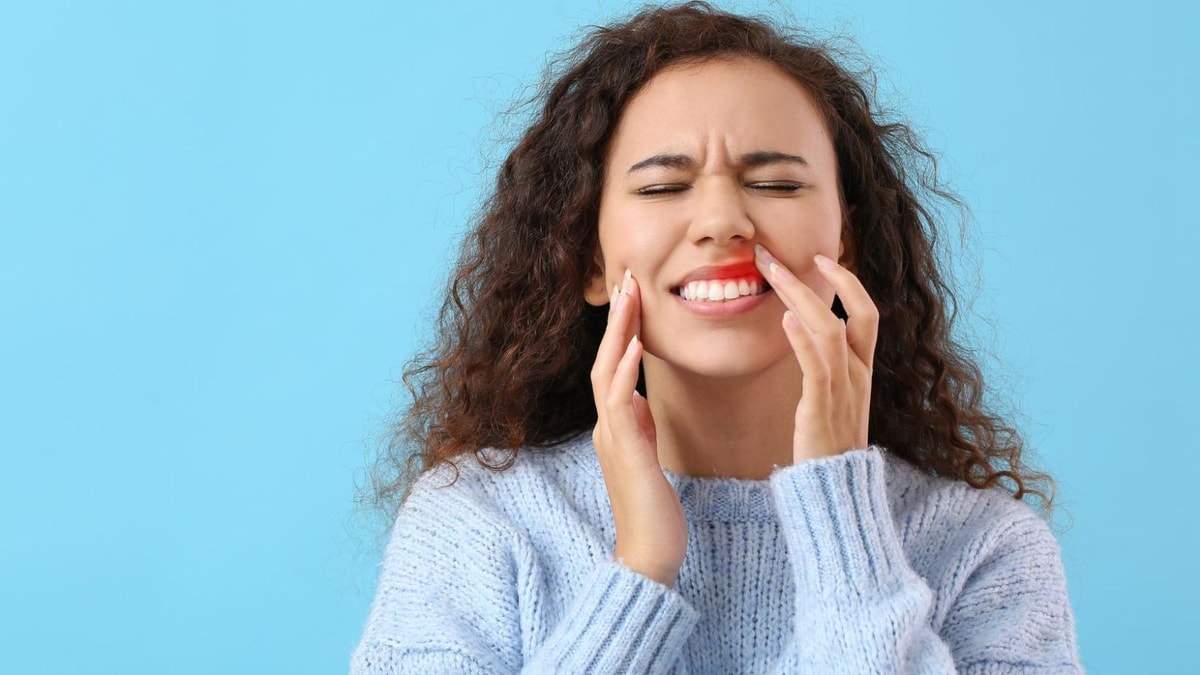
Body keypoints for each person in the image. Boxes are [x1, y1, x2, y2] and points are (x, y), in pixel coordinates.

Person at [350, 2, 1083, 672]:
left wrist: (842, 519)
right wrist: (640, 570)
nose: (723, 222)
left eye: (777, 184)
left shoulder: (985, 548)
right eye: (662, 187)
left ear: (847, 242)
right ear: (589, 259)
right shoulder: (477, 523)